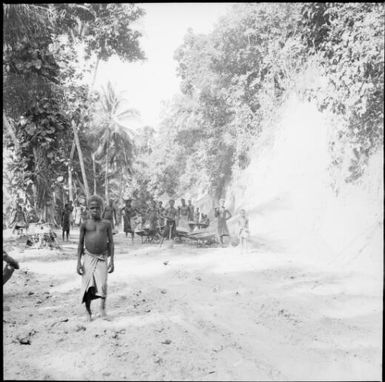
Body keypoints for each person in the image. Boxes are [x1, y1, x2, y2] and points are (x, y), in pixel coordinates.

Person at [77, 195, 114, 321]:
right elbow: (80, 243)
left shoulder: (106, 224)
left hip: (103, 257)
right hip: (88, 257)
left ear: (102, 209)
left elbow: (111, 242)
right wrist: (78, 263)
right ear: (88, 209)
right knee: (88, 286)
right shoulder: (85, 225)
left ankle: (102, 309)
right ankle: (88, 312)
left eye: (97, 208)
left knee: (103, 284)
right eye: (92, 208)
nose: (95, 210)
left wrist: (112, 261)